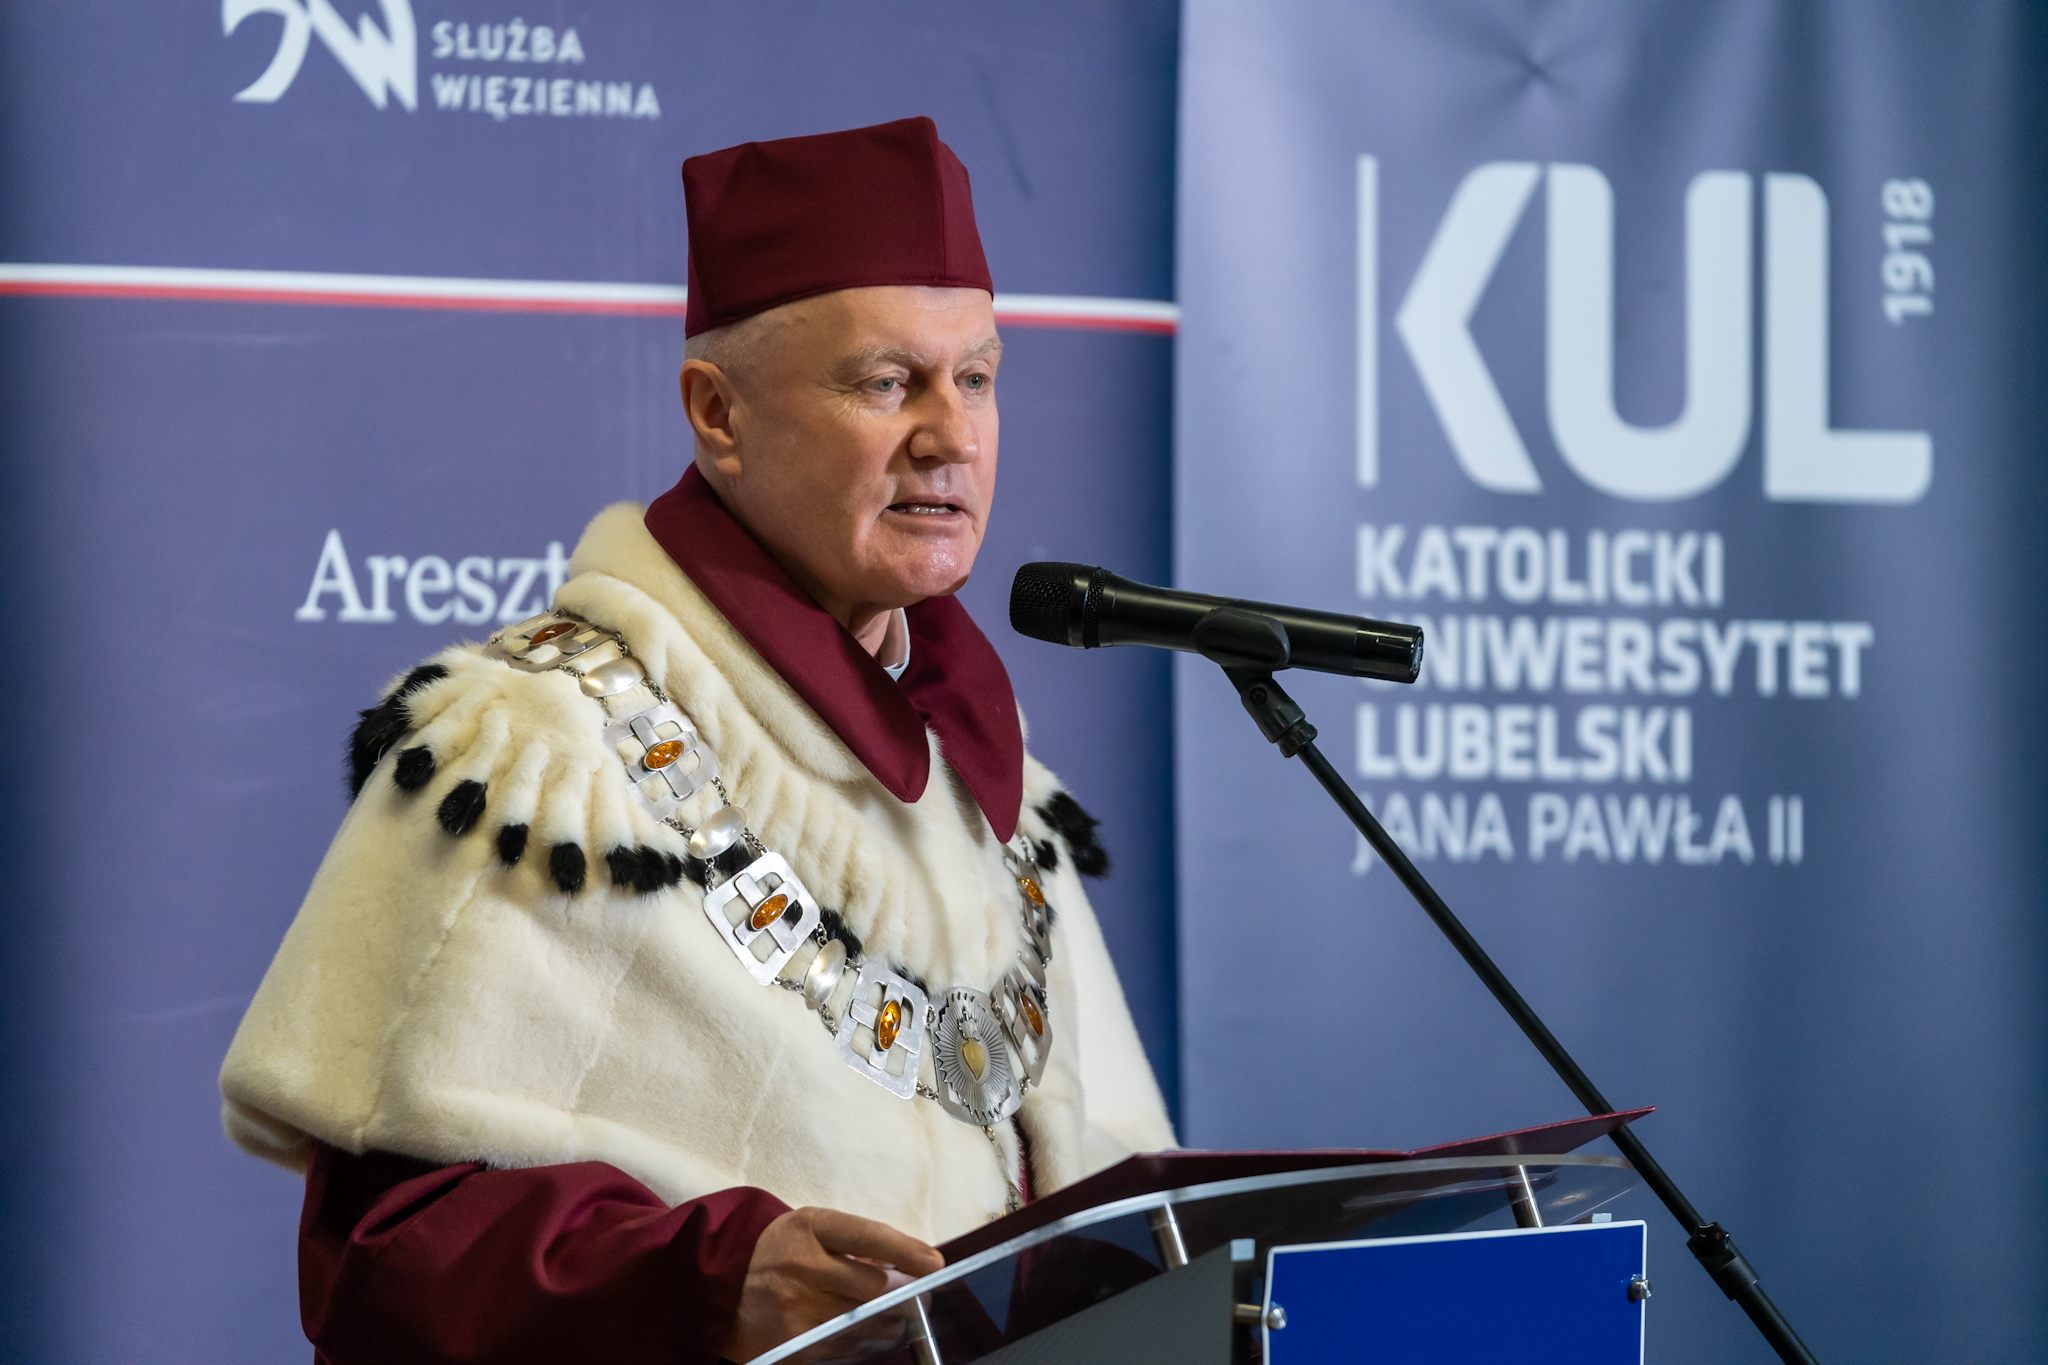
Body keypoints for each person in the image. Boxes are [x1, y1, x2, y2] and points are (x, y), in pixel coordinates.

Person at [219, 116, 1175, 1364]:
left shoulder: (998, 790)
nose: (951, 435)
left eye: (977, 379)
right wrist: (708, 1282)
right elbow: (386, 1255)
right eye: (886, 382)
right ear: (717, 414)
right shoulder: (533, 753)